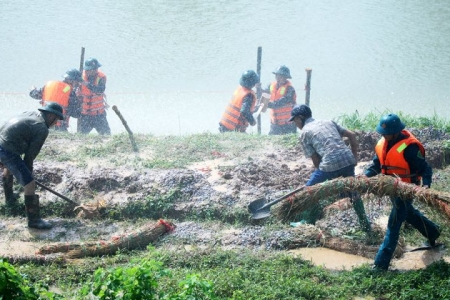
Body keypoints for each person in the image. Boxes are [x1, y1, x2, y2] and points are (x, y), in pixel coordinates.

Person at [364, 113, 441, 271]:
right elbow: (376, 165)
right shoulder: (382, 143)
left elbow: (425, 168)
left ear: (396, 132)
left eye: (386, 133)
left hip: (406, 189)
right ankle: (433, 232)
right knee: (409, 214)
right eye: (382, 133)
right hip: (392, 188)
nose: (383, 136)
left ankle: (380, 264)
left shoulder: (410, 148)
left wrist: (425, 185)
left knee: (394, 223)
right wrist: (364, 177)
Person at [290, 104, 371, 232]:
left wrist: (323, 179)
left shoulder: (304, 133)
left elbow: (316, 160)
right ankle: (365, 224)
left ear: (300, 118)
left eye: (295, 120)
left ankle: (307, 222)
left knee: (309, 190)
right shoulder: (328, 121)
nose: (295, 124)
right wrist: (355, 157)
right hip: (348, 160)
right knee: (353, 191)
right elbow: (352, 135)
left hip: (330, 163)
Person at [0, 102, 64, 229]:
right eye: (56, 120)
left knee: (9, 168)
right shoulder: (42, 128)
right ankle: (34, 221)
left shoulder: (30, 113)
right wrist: (28, 176)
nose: (56, 123)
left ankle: (10, 200)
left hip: (2, 143)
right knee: (29, 184)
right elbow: (29, 156)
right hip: (7, 149)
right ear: (51, 116)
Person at [77, 57, 111, 135]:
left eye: (96, 68)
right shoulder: (80, 77)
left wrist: (86, 84)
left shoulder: (101, 77)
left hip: (99, 114)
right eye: (93, 69)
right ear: (87, 70)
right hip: (85, 115)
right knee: (81, 136)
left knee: (107, 135)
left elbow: (100, 90)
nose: (96, 70)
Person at [265, 65, 297, 135]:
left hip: (289, 124)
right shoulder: (270, 85)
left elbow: (282, 101)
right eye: (277, 75)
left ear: (286, 77)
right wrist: (258, 90)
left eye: (281, 76)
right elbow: (264, 94)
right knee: (271, 141)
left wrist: (269, 105)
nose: (278, 78)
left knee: (288, 142)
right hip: (275, 123)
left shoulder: (290, 89)